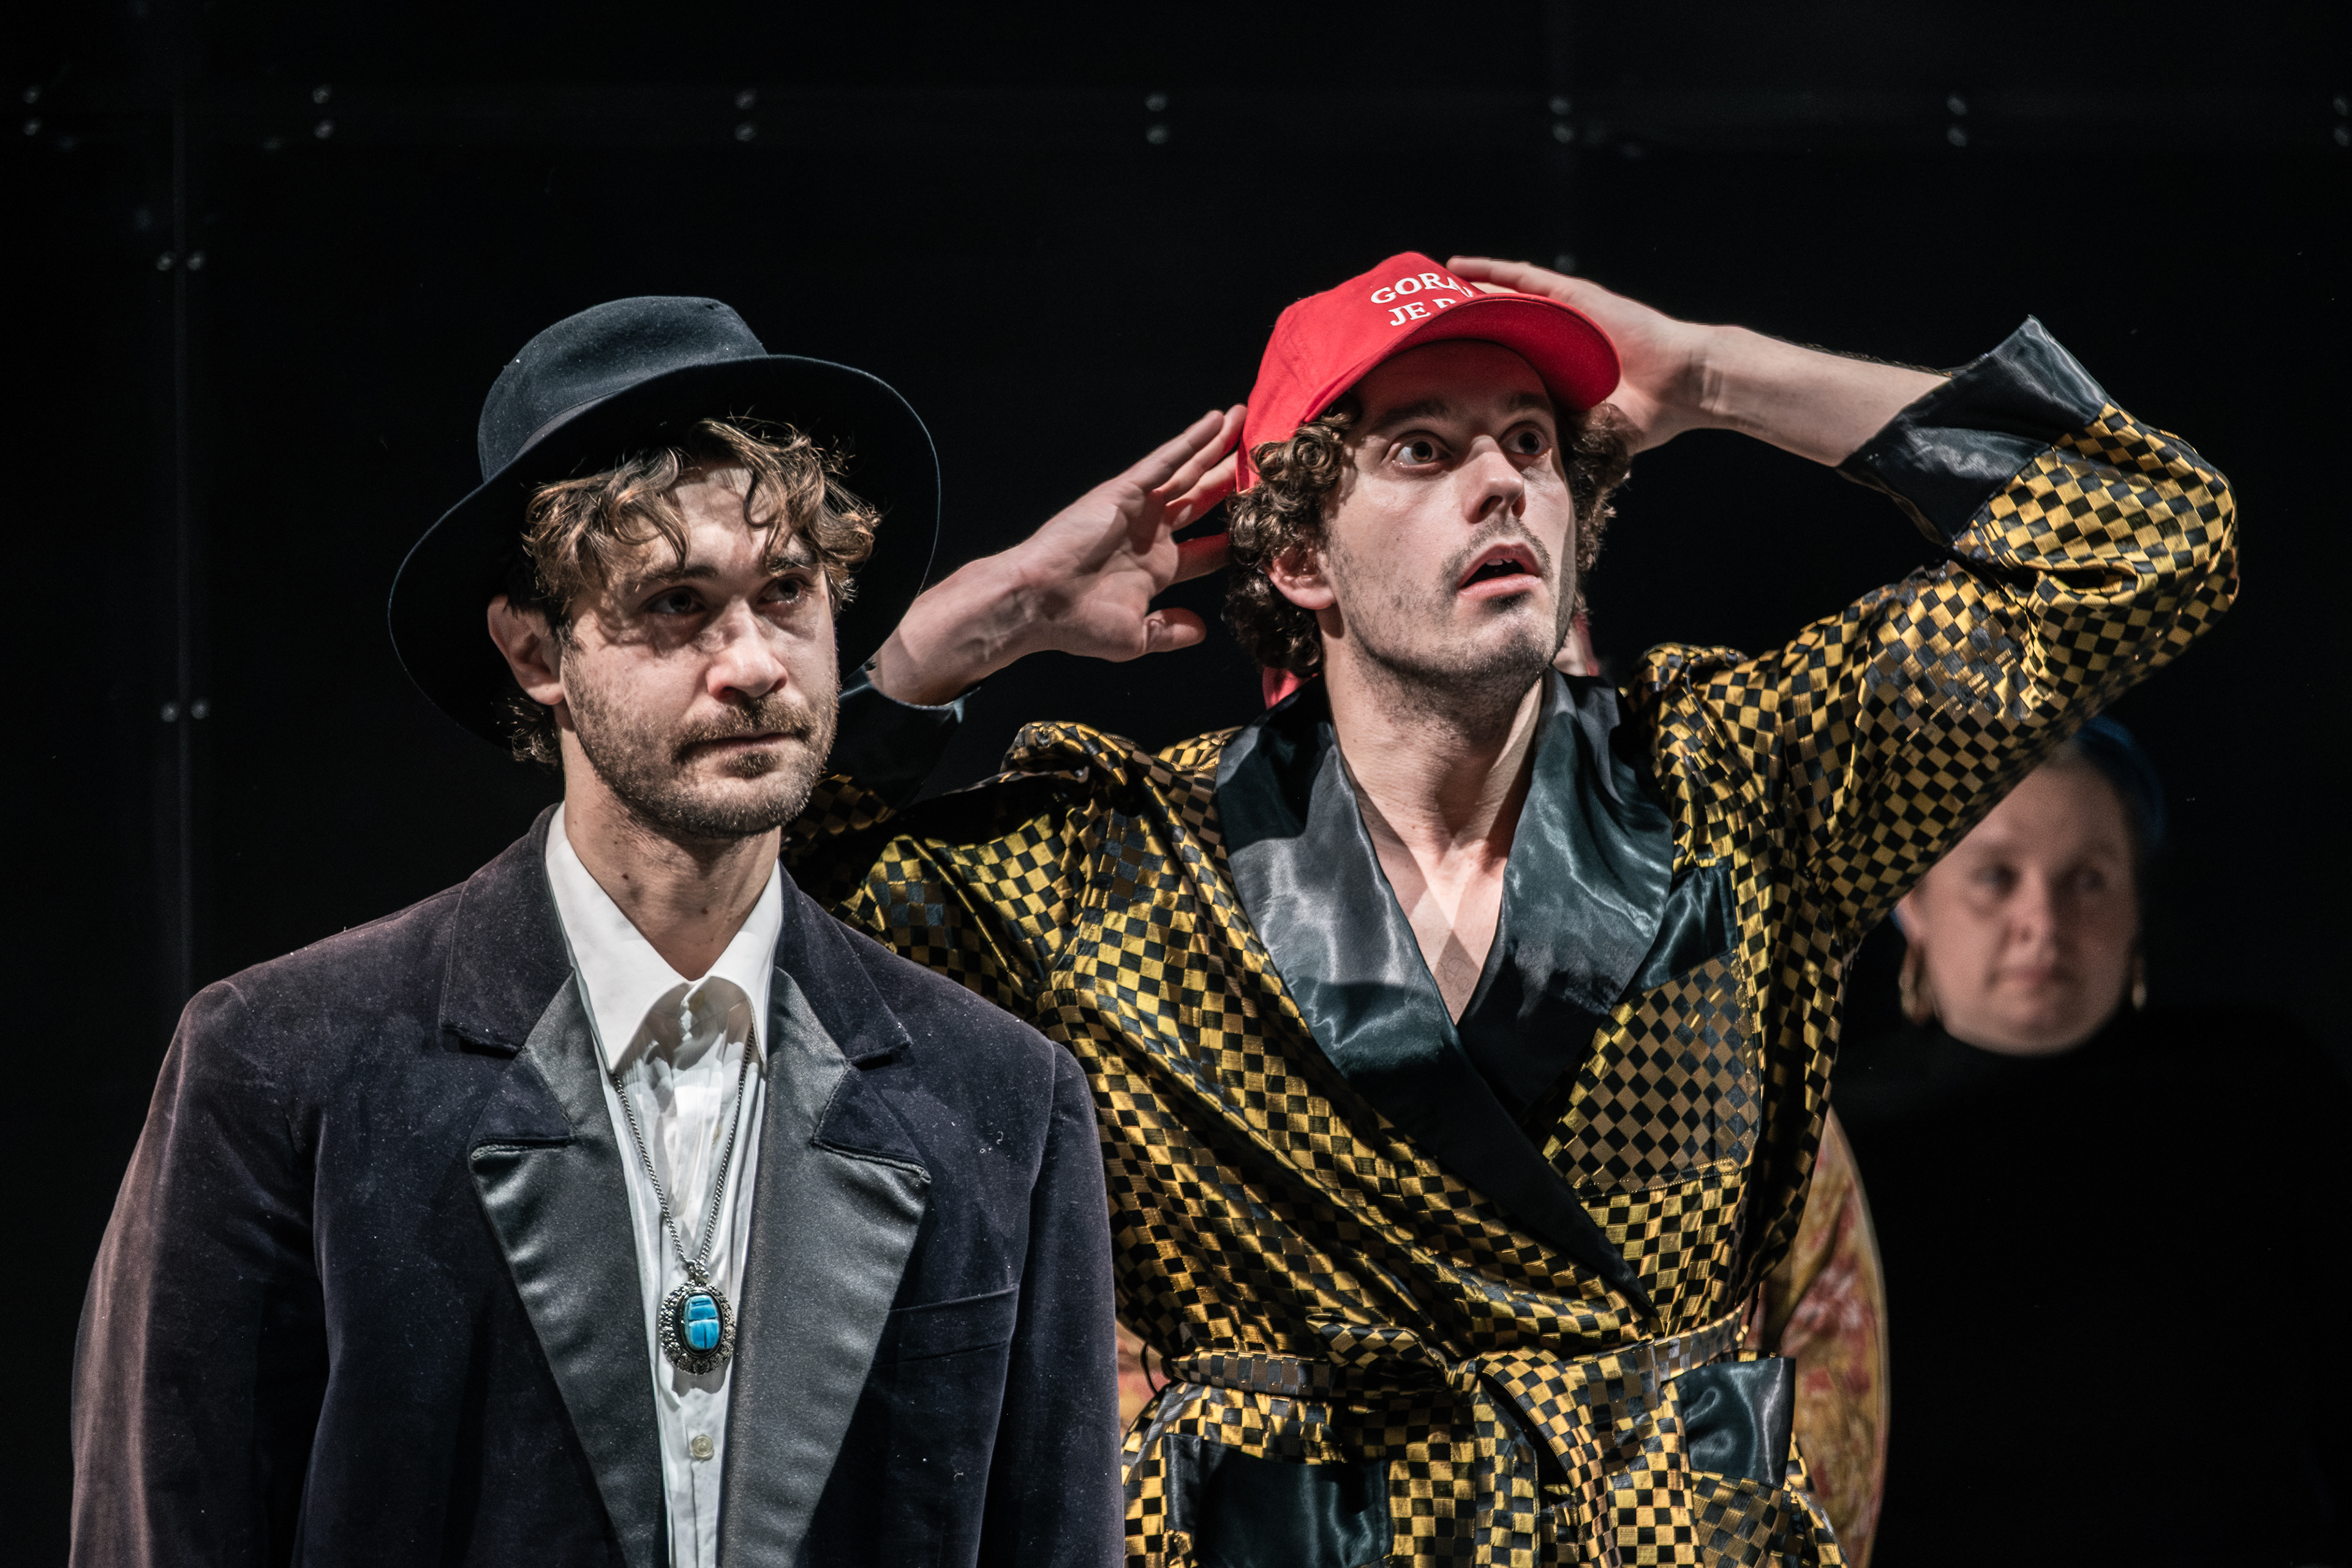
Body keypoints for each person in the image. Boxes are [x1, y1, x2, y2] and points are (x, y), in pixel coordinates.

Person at [784, 252, 2238, 1564]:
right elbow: (737, 897)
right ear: (1300, 558)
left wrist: (1712, 372)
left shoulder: (1743, 787)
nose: (1502, 484)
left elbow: (2150, 530)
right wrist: (968, 629)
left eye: (1533, 444)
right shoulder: (1126, 859)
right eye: (1422, 448)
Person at [71, 297, 1121, 1566]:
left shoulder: (1003, 1095)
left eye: (788, 591)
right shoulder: (284, 1063)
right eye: (677, 602)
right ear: (534, 651)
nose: (753, 662)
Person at [1837, 721, 2351, 1564]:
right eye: (1995, 877)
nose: (2042, 923)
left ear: (2137, 904)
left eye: (2089, 880)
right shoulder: (1828, 1144)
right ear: (1912, 901)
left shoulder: (2264, 1094)